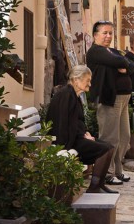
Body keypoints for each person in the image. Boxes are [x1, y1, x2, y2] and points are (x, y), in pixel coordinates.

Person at [46, 65, 118, 194]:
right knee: (106, 149)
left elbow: (76, 121)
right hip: (67, 141)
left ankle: (99, 184)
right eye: (87, 80)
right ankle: (95, 187)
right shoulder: (66, 95)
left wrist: (85, 132)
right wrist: (79, 138)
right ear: (76, 80)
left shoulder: (73, 94)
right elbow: (63, 123)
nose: (90, 84)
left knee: (109, 147)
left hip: (75, 136)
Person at [87, 20, 134, 185]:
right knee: (109, 138)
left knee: (124, 136)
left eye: (110, 33)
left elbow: (132, 66)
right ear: (95, 35)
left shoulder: (112, 51)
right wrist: (122, 64)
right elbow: (122, 62)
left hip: (124, 99)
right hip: (109, 99)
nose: (108, 36)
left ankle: (118, 170)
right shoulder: (96, 52)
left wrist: (125, 65)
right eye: (105, 33)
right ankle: (105, 173)